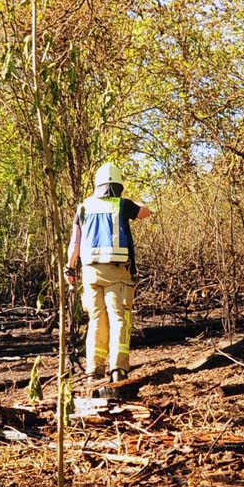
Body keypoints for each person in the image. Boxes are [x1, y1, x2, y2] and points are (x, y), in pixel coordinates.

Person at [65, 162, 151, 384]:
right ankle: (117, 369)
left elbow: (74, 243)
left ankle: (93, 370)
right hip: (117, 272)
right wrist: (134, 201)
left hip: (90, 272)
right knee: (118, 318)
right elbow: (146, 212)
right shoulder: (122, 205)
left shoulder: (83, 207)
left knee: (96, 319)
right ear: (118, 185)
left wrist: (69, 268)